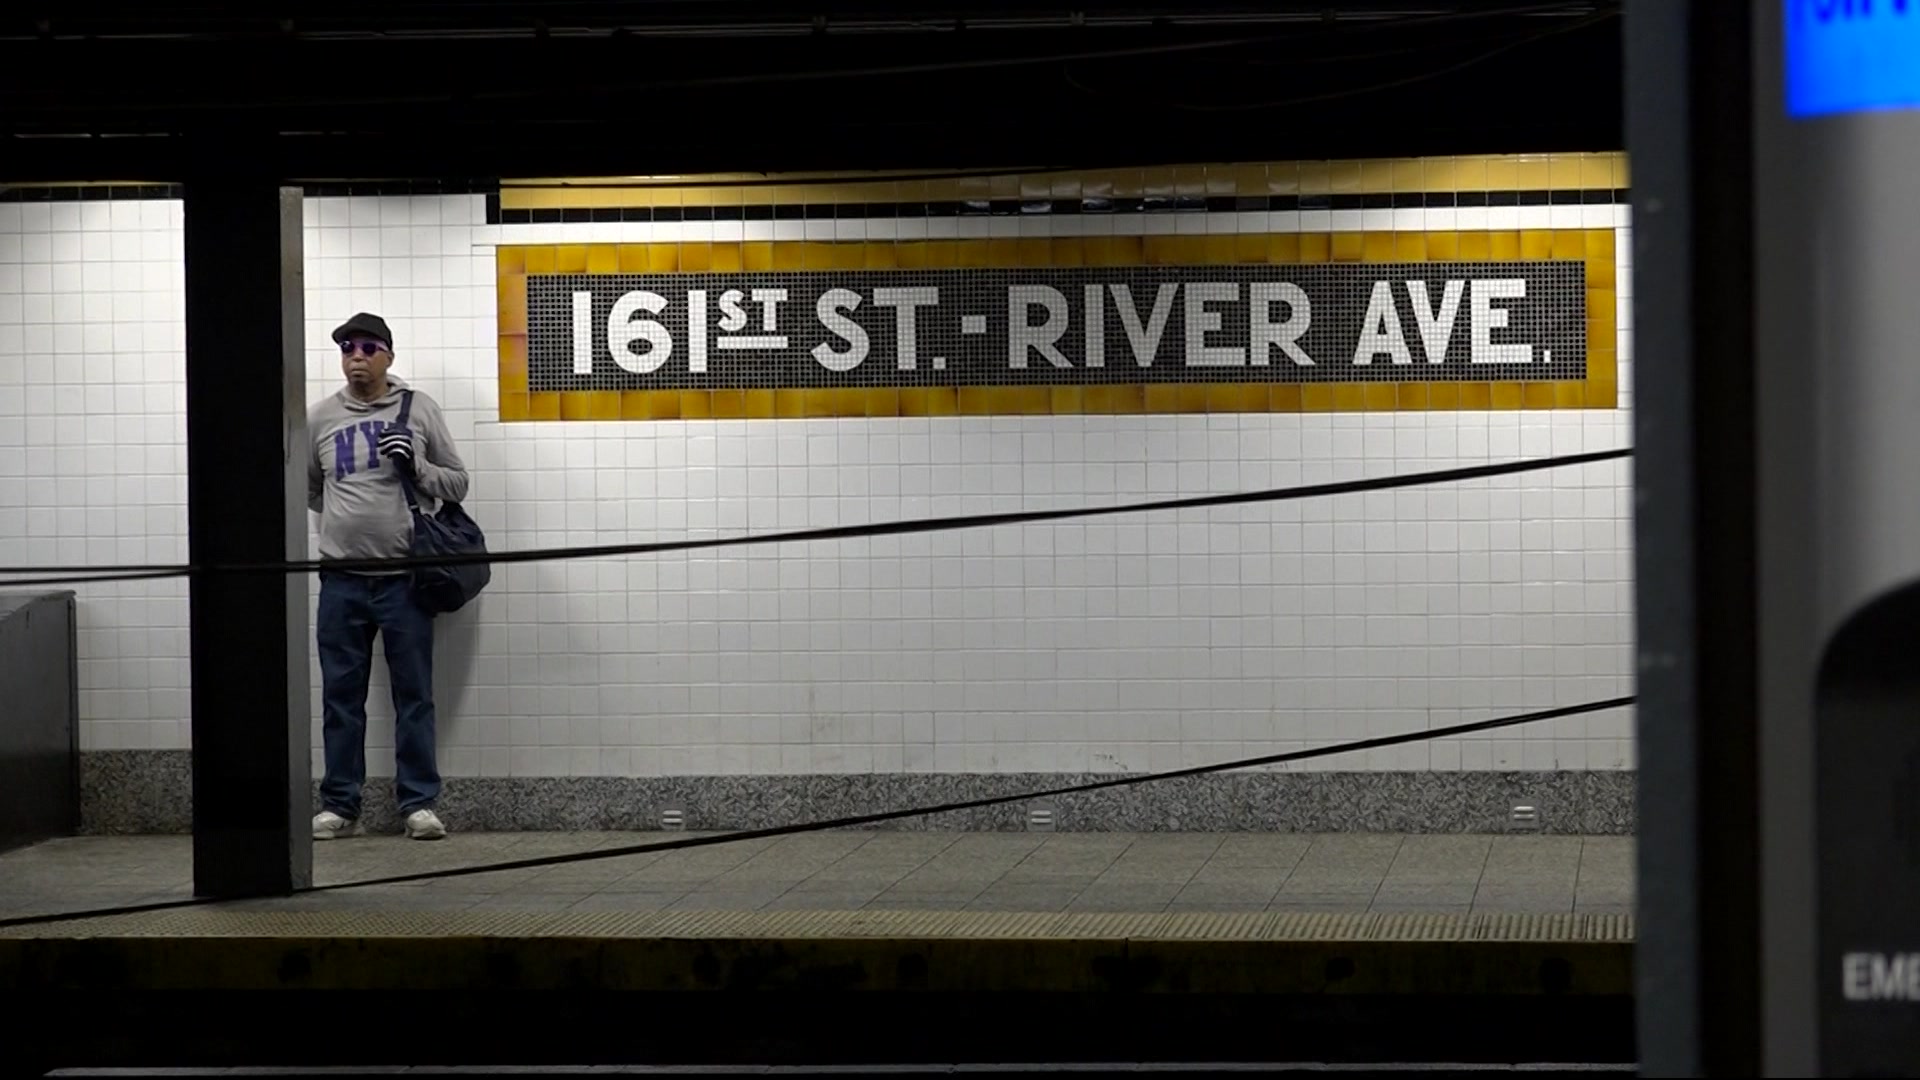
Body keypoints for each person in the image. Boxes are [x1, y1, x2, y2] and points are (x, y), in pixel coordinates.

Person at [306, 313, 469, 841]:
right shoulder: (319, 419)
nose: (358, 356)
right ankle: (340, 805)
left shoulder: (418, 409)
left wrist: (418, 468)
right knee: (340, 698)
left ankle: (418, 803)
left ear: (389, 356)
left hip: (405, 581)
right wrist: (343, 524)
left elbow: (459, 483)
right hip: (341, 581)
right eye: (348, 348)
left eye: (369, 347)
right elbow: (310, 489)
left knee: (414, 695)